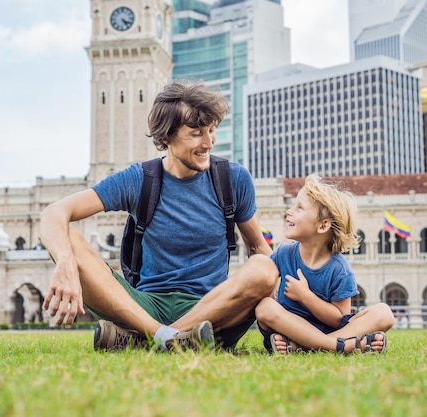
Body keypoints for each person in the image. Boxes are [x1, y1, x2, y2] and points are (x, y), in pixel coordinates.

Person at [40, 80, 278, 351]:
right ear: (166, 137)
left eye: (211, 131)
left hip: (213, 310)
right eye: (196, 133)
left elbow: (258, 246)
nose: (208, 143)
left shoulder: (233, 179)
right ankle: (166, 336)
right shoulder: (140, 179)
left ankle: (149, 339)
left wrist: (288, 315)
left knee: (264, 266)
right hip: (143, 307)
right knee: (66, 238)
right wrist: (65, 262)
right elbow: (53, 213)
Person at [255, 175, 395, 354]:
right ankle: (340, 346)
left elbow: (339, 319)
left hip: (328, 331)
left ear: (323, 226)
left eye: (299, 208)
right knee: (265, 307)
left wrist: (305, 296)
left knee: (384, 313)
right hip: (287, 328)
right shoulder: (284, 253)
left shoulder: (339, 269)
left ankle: (307, 346)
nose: (289, 211)